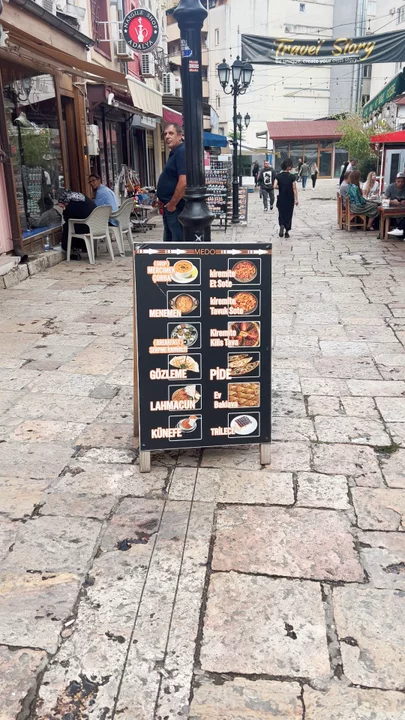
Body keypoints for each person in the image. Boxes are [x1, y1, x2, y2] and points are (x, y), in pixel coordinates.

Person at [157, 123, 186, 242]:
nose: (167, 136)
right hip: (169, 206)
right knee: (169, 242)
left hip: (175, 207)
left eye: (171, 133)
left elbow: (183, 182)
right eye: (165, 134)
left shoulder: (181, 152)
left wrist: (172, 204)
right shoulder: (174, 152)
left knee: (175, 243)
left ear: (179, 136)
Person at [58, 190, 96, 260]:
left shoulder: (71, 205)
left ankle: (69, 248)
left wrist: (65, 209)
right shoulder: (81, 197)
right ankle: (83, 247)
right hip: (96, 225)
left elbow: (67, 219)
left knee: (67, 227)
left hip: (87, 227)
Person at [273, 158, 299, 239]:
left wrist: (281, 187)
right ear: (290, 167)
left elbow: (274, 186)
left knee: (281, 213)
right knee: (289, 214)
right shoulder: (292, 177)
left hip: (281, 198)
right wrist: (296, 199)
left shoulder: (278, 176)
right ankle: (287, 231)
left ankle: (282, 224)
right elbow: (294, 188)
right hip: (290, 198)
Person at [385, 173, 405, 237]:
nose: (400, 183)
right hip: (392, 209)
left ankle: (399, 229)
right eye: (398, 181)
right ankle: (399, 229)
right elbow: (384, 200)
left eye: (402, 181)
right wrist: (391, 201)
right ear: (395, 180)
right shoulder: (390, 187)